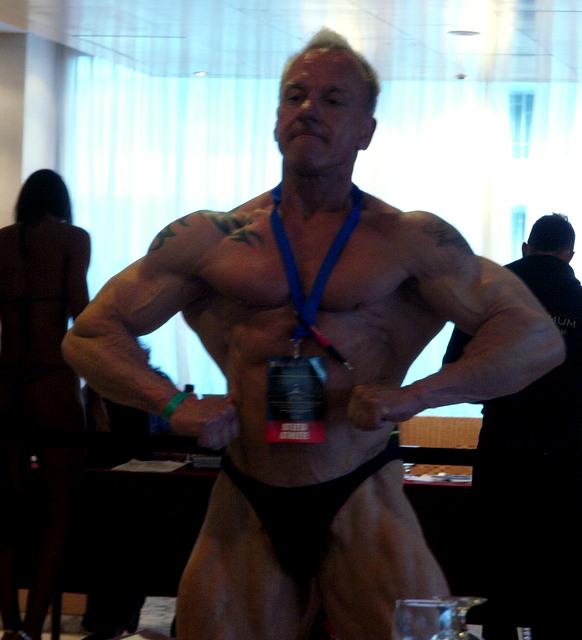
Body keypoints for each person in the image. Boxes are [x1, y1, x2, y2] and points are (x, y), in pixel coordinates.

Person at [62, 29, 565, 640]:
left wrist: (417, 396)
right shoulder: (211, 239)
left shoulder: (407, 240)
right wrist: (172, 405)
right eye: (295, 96)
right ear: (276, 121)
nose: (309, 110)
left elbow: (535, 339)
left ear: (366, 131)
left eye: (333, 99)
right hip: (247, 491)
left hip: (361, 488)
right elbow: (90, 336)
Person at [443, 213, 582, 639]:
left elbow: (454, 370)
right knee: (557, 560)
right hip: (566, 451)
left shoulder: (491, 297)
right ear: (570, 254)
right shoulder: (579, 299)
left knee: (497, 553)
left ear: (526, 247)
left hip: (503, 443)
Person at [0, 169, 91, 640]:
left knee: (6, 511)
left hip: (5, 386)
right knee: (58, 512)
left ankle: (8, 624)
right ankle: (33, 630)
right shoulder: (73, 239)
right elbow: (81, 314)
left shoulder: (2, 242)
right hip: (52, 383)